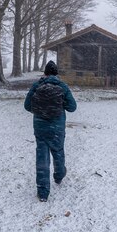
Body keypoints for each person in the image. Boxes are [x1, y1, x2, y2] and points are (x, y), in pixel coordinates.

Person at [24, 60, 77, 202]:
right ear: (56, 73)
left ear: (45, 73)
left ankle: (42, 192)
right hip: (57, 127)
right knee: (58, 151)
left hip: (40, 127)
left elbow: (27, 106)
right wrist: (60, 105)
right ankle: (59, 175)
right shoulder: (62, 86)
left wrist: (40, 111)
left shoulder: (37, 86)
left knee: (42, 158)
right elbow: (72, 107)